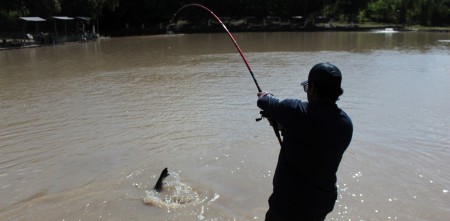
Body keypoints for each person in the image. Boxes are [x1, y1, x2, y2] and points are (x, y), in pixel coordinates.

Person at [257, 62, 353, 221]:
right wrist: (283, 124)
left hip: (289, 204)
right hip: (320, 203)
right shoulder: (345, 124)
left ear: (313, 88)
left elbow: (264, 101)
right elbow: (312, 137)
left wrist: (266, 96)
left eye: (307, 87)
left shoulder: (296, 110)